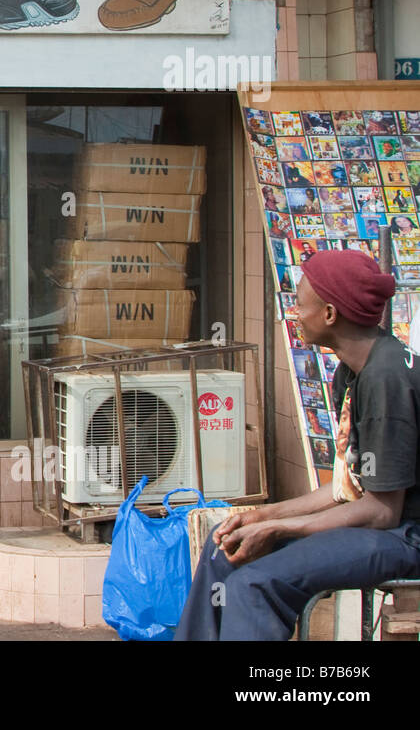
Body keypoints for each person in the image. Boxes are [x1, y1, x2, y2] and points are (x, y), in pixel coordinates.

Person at [177, 249, 420, 640]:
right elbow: (347, 489)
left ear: (329, 314)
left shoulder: (386, 380)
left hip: (406, 536)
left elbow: (382, 511)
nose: (293, 312)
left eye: (300, 303)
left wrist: (283, 529)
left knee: (254, 585)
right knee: (223, 547)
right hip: (382, 524)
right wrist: (264, 516)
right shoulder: (355, 371)